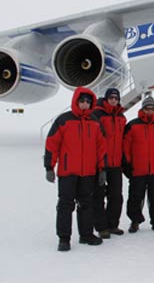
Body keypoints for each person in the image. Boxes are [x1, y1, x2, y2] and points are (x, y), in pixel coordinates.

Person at [44, 87, 107, 252]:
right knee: (66, 205)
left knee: (86, 204)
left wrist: (102, 169)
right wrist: (49, 166)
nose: (85, 104)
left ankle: (86, 234)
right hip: (68, 172)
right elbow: (52, 143)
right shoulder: (64, 120)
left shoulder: (95, 122)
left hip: (88, 172)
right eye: (82, 101)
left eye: (88, 101)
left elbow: (102, 147)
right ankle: (64, 238)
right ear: (76, 101)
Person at [123, 96, 154, 233]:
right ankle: (134, 221)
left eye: (152, 109)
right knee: (135, 197)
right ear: (142, 109)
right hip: (138, 169)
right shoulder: (132, 125)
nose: (150, 111)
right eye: (147, 109)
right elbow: (126, 146)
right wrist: (126, 164)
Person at [92, 88, 127, 239]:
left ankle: (113, 224)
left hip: (116, 163)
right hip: (100, 163)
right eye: (111, 97)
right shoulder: (97, 115)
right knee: (98, 196)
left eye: (116, 98)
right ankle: (101, 227)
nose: (114, 100)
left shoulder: (121, 117)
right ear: (106, 99)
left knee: (116, 196)